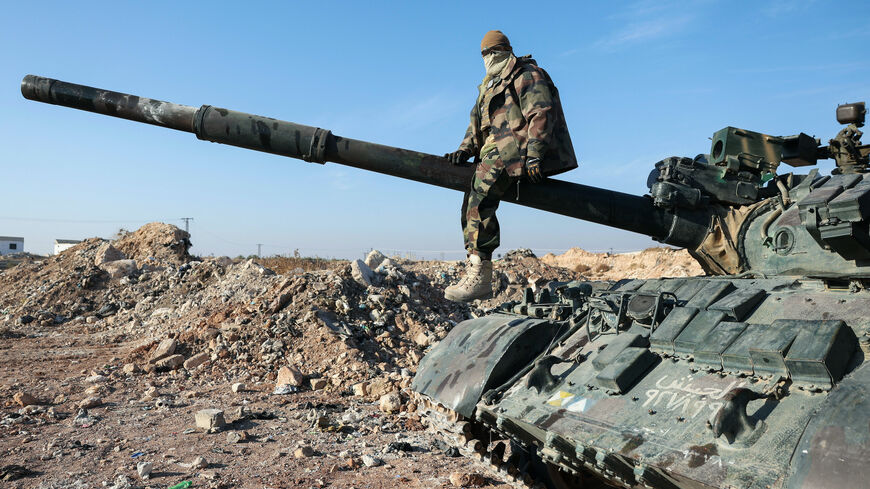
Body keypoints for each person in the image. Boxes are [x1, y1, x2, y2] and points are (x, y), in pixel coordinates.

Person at [444, 30, 578, 302]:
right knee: (471, 201)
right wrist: (464, 149)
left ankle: (481, 277)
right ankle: (476, 266)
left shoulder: (525, 74)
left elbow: (541, 112)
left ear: (505, 50)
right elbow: (476, 125)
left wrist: (534, 155)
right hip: (493, 150)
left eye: (492, 52)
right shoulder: (489, 85)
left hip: (514, 148)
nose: (488, 58)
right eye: (484, 54)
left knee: (480, 198)